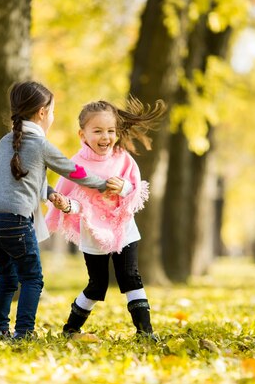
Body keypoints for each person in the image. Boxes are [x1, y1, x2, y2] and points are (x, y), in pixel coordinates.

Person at [0, 81, 111, 340]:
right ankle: (25, 332)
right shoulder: (40, 144)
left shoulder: (5, 141)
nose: (53, 116)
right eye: (52, 111)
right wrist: (104, 184)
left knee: (7, 277)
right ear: (41, 112)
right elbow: (73, 171)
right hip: (15, 220)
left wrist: (50, 194)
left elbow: (21, 178)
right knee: (32, 278)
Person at [45, 97, 166, 341]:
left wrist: (123, 187)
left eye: (110, 131)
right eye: (97, 131)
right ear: (83, 135)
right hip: (94, 232)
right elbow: (76, 201)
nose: (105, 137)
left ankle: (146, 332)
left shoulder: (122, 158)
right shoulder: (76, 165)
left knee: (130, 277)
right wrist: (67, 205)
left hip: (123, 228)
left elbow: (135, 190)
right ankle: (71, 329)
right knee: (97, 285)